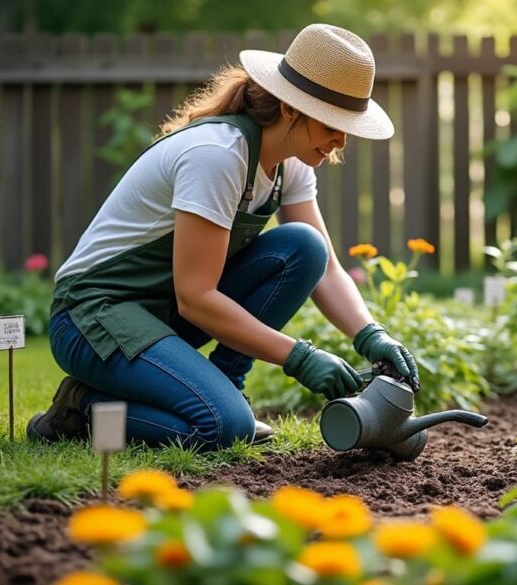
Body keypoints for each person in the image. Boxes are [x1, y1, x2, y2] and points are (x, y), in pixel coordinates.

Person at [27, 23, 419, 450]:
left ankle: (230, 388)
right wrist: (299, 357)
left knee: (305, 247)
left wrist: (373, 336)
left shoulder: (292, 161)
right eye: (333, 124)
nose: (341, 140)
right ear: (291, 109)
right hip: (93, 316)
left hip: (161, 312)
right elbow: (196, 295)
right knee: (222, 427)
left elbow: (324, 269)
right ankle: (81, 406)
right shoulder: (217, 156)